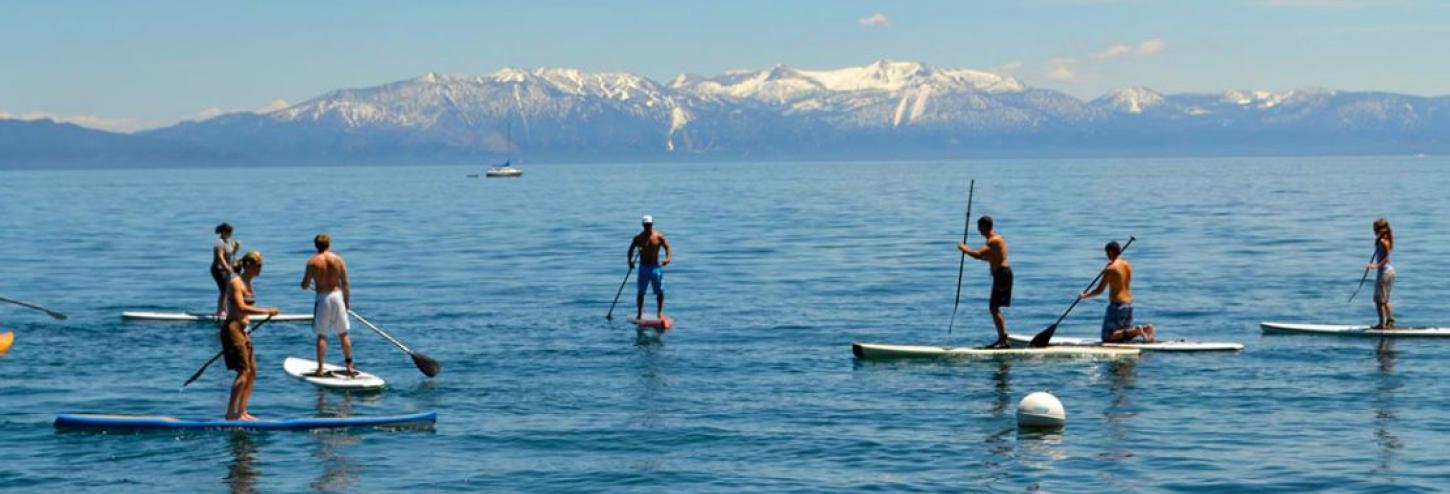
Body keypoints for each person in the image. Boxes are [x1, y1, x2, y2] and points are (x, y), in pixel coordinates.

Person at [221, 251, 280, 420]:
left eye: (261, 265)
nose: (260, 269)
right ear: (248, 265)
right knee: (243, 371)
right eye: (258, 265)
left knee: (252, 372)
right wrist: (267, 311)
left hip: (244, 330)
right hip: (232, 329)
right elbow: (241, 307)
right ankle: (231, 413)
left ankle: (242, 411)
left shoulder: (249, 283)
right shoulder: (235, 283)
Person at [1079, 240, 1156, 343]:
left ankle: (1138, 331)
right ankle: (1146, 328)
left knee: (1107, 337)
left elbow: (1099, 290)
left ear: (1111, 252)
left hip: (1117, 306)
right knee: (1122, 336)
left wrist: (1084, 296)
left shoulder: (1111, 269)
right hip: (1128, 304)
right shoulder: (1127, 264)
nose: (1106, 255)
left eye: (1107, 253)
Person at [301, 233, 355, 376]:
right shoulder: (338, 260)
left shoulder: (312, 262)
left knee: (322, 335)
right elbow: (345, 283)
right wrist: (346, 302)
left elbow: (305, 284)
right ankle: (349, 366)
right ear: (329, 244)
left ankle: (320, 368)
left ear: (316, 245)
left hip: (323, 298)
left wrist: (304, 285)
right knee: (343, 333)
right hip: (337, 297)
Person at [958, 215, 1012, 349]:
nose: (979, 231)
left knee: (994, 308)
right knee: (994, 308)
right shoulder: (997, 240)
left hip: (1002, 275)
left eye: (979, 228)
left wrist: (964, 248)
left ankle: (1003, 340)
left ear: (984, 227)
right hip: (1002, 274)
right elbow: (990, 258)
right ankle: (1002, 338)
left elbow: (978, 254)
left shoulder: (993, 241)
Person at [628, 215, 672, 321]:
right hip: (643, 268)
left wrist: (667, 258)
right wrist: (630, 262)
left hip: (655, 268)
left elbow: (667, 248)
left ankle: (660, 312)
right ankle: (639, 313)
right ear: (643, 225)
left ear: (652, 224)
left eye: (649, 224)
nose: (648, 226)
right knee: (641, 292)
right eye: (646, 225)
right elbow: (630, 250)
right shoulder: (638, 237)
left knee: (660, 291)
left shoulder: (658, 236)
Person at [1368, 218, 1396, 329]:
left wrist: (1375, 266)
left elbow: (1386, 258)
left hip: (1384, 272)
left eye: (1375, 228)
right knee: (1385, 300)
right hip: (1389, 272)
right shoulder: (1385, 240)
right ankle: (1390, 320)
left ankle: (1381, 324)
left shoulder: (1382, 241)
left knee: (1378, 300)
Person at [212, 223, 241, 318]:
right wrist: (227, 268)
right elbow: (220, 257)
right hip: (218, 269)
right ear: (224, 232)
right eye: (229, 232)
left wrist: (236, 248)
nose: (231, 234)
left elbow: (232, 254)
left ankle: (223, 310)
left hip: (226, 269)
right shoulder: (219, 242)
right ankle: (221, 311)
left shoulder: (228, 241)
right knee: (224, 290)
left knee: (227, 290)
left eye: (231, 232)